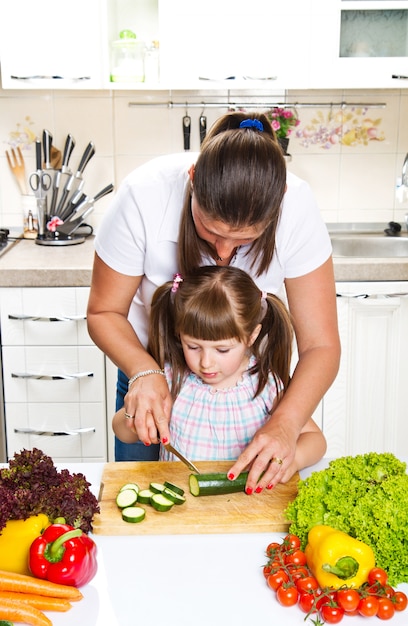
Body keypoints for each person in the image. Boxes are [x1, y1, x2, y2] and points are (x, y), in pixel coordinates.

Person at [87, 111, 340, 493]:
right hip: (152, 369)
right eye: (211, 229)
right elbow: (104, 312)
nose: (222, 251)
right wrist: (145, 372)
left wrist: (285, 425)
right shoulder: (144, 195)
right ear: (192, 180)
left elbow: (321, 345)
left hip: (245, 378)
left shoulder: (297, 208)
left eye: (243, 241)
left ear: (280, 203)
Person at [113, 266, 327, 487]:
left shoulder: (265, 384)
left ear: (252, 336)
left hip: (246, 504)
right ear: (179, 334)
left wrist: (292, 460)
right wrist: (136, 420)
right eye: (193, 346)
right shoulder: (170, 379)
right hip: (179, 505)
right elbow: (122, 431)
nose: (206, 362)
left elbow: (316, 440)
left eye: (222, 350)